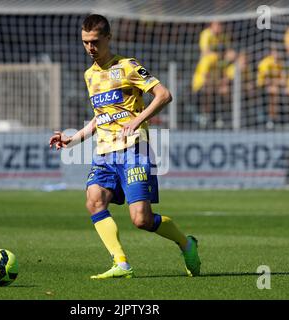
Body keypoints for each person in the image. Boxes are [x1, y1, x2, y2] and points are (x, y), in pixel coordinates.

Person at [49, 14, 201, 279]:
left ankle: (187, 244)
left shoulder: (128, 66)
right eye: (85, 42)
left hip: (134, 150)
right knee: (94, 201)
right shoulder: (89, 75)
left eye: (95, 41)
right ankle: (121, 263)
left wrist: (137, 121)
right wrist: (72, 139)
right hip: (105, 153)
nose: (90, 48)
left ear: (108, 38)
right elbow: (101, 116)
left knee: (141, 219)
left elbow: (164, 95)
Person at [256, 44, 286, 129]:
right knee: (273, 92)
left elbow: (283, 80)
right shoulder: (266, 63)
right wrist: (277, 82)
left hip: (274, 86)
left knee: (275, 91)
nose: (278, 54)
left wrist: (277, 82)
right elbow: (267, 80)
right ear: (271, 53)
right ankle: (270, 119)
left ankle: (273, 118)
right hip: (261, 86)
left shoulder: (280, 64)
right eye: (276, 52)